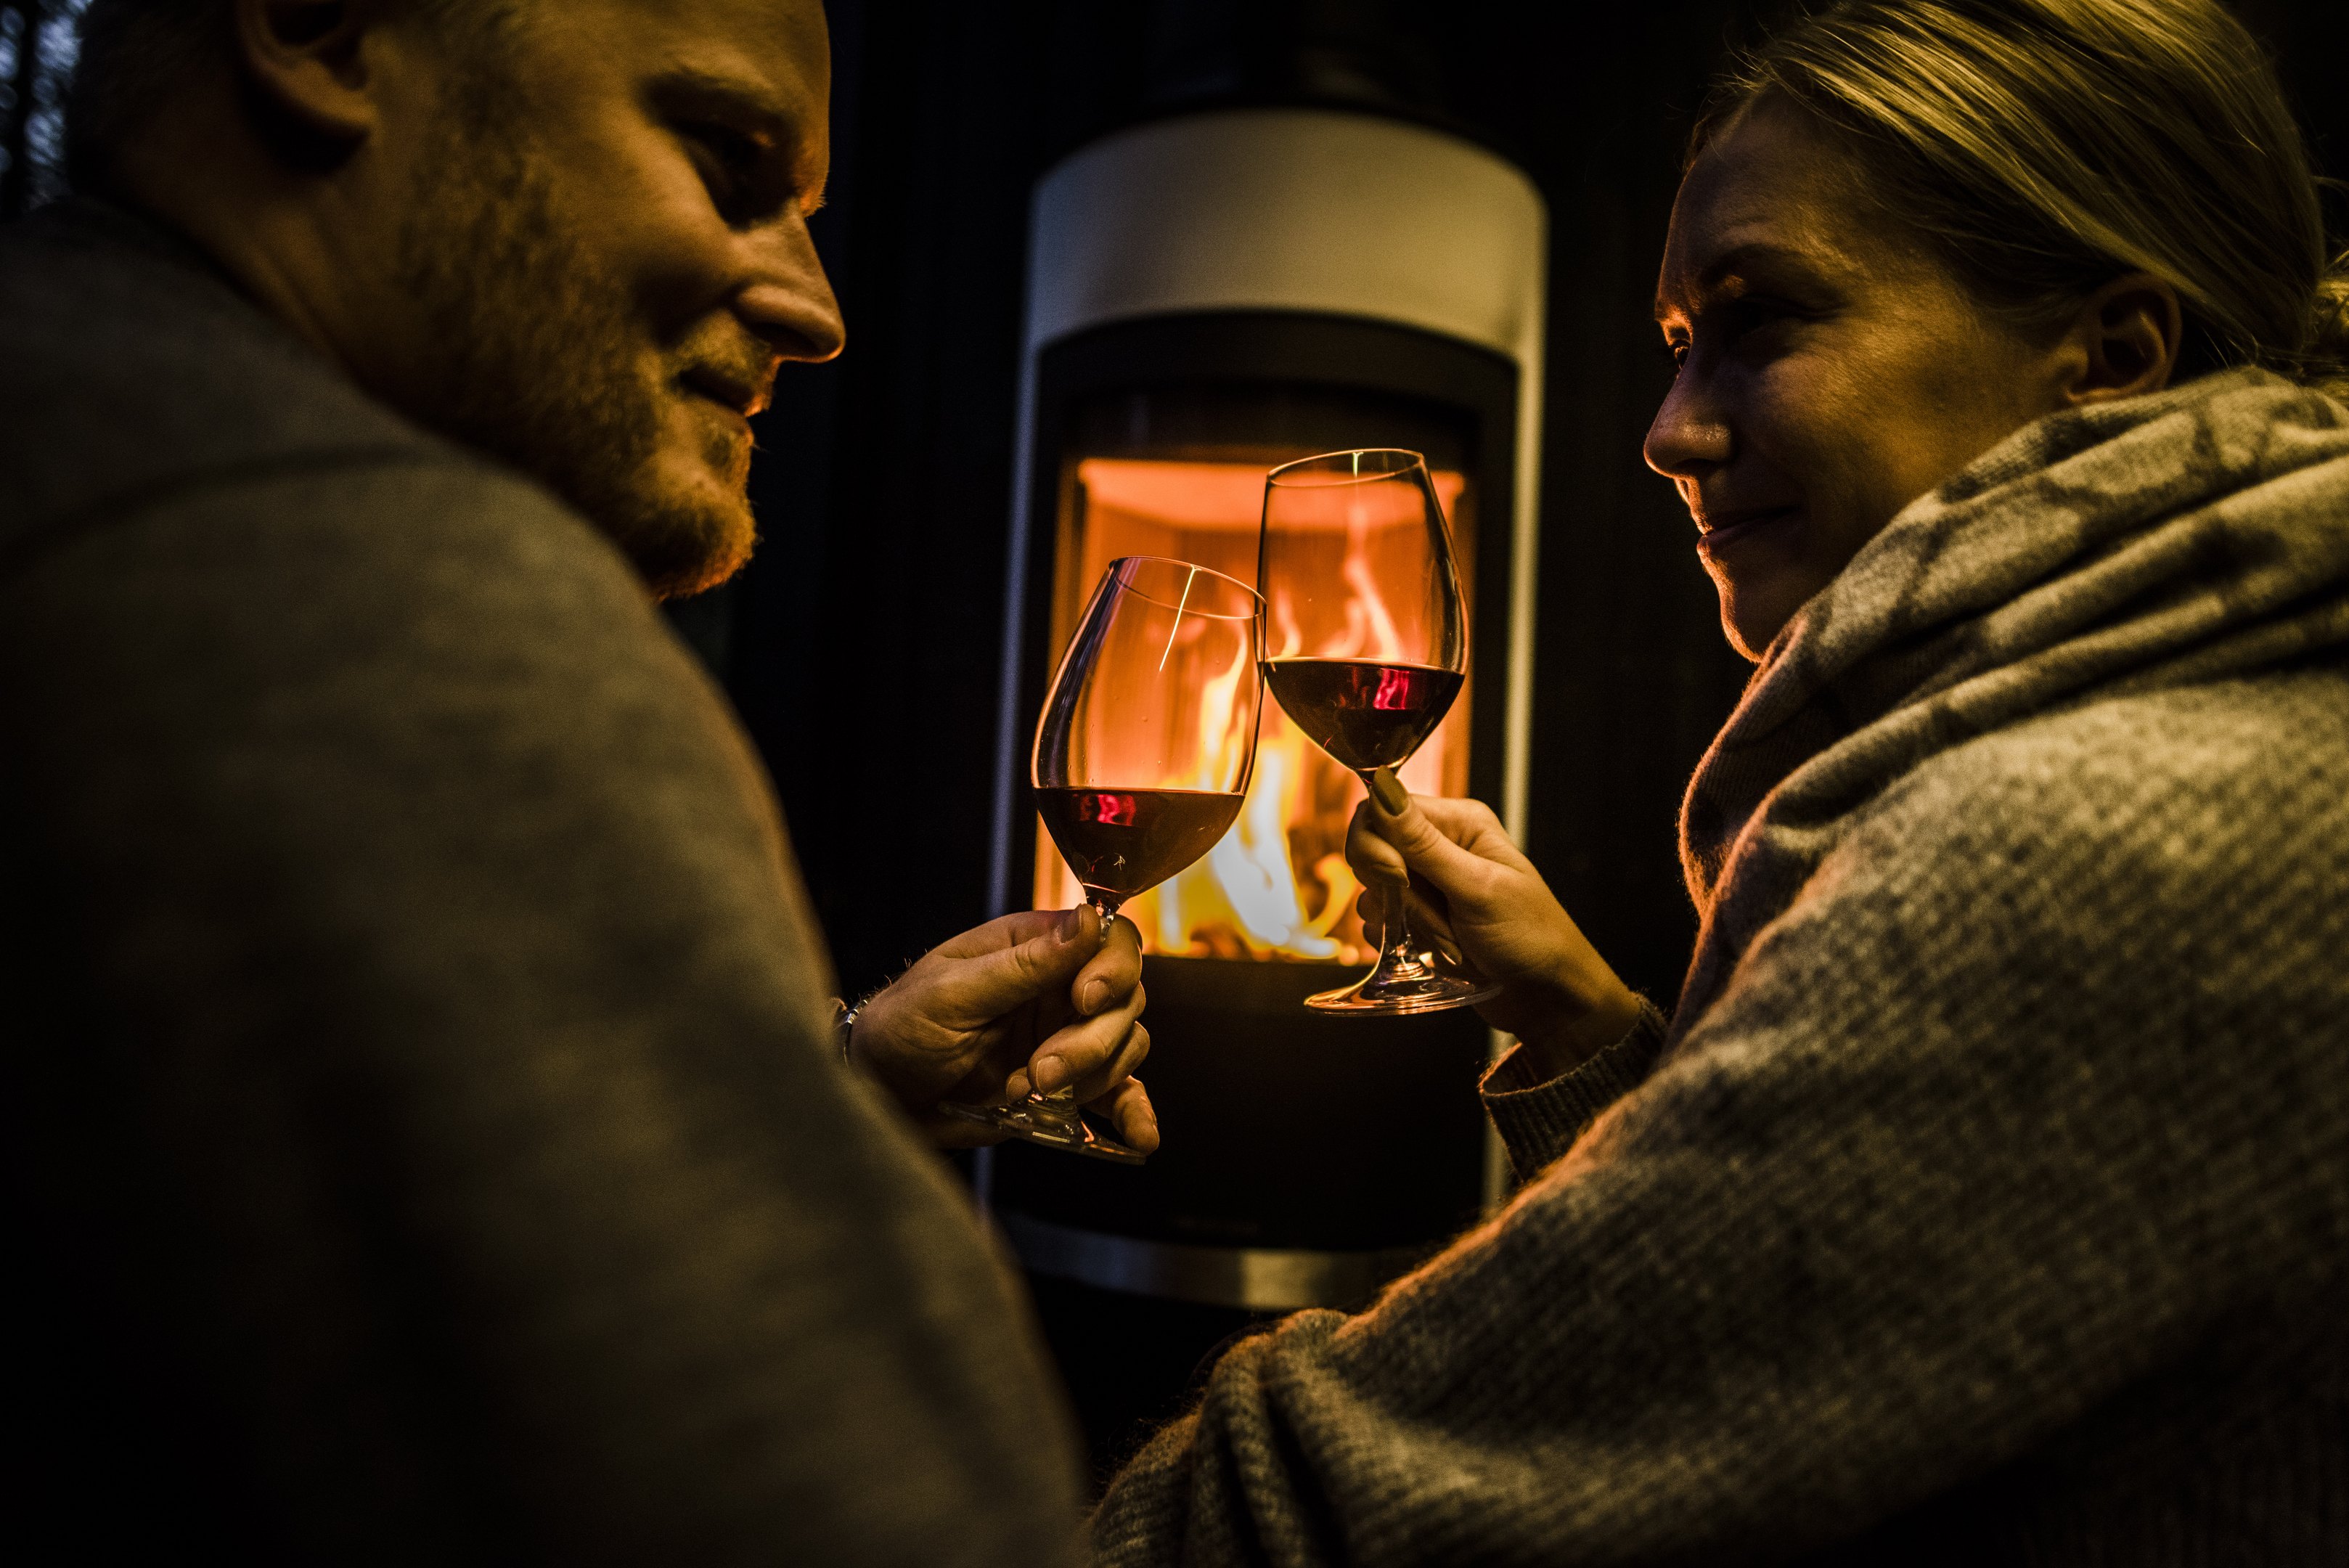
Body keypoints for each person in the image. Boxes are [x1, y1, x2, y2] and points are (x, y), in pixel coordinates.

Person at [1091, 1, 2349, 1561]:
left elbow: (1348, 1506)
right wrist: (1585, 1034)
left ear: (2104, 360)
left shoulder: (2089, 843)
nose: (1666, 433)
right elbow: (1833, 1318)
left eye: (1760, 319)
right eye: (1677, 344)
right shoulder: (2229, 715)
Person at [1, 1, 1151, 1561]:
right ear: (318, 29)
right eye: (725, 159)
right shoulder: (386, 593)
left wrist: (816, 1092)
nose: (818, 312)